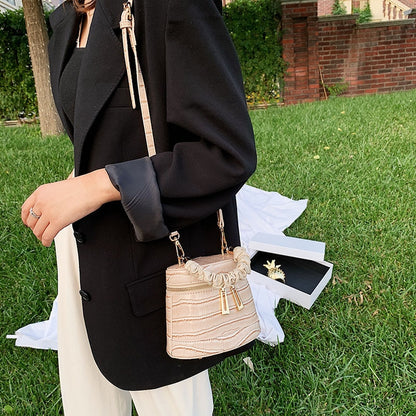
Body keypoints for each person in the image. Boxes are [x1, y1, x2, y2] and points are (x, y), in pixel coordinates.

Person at [21, 0, 257, 414]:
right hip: (84, 251)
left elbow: (226, 154)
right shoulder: (70, 15)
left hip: (155, 262)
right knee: (90, 400)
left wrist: (101, 184)